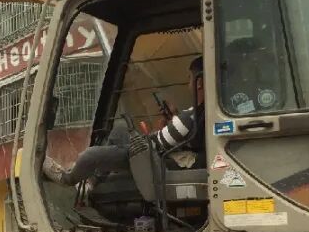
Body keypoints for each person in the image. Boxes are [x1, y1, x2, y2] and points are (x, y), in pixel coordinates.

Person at [43, 57, 204, 186]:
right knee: (120, 130)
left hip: (151, 156)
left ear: (199, 83)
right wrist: (171, 120)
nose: (187, 83)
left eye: (190, 78)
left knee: (91, 155)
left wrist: (160, 129)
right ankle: (92, 181)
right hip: (161, 151)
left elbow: (154, 143)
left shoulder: (188, 118)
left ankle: (67, 178)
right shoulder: (196, 115)